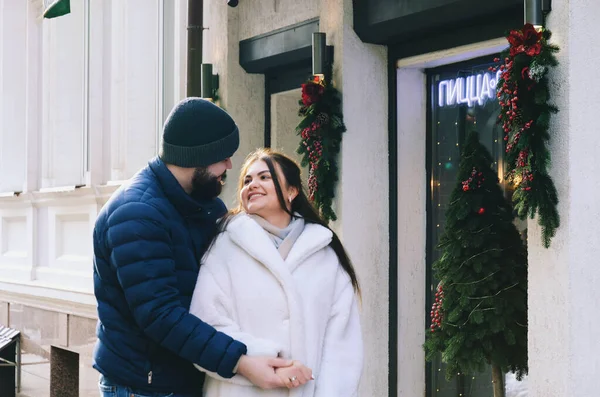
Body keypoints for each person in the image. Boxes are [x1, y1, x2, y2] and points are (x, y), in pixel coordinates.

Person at [92, 99, 299, 397]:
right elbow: (160, 314)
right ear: (198, 157)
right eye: (223, 157)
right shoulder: (136, 214)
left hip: (187, 375)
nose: (230, 166)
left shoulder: (203, 205)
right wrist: (240, 362)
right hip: (145, 386)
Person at [189, 148, 364, 396]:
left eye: (264, 177)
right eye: (247, 180)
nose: (253, 185)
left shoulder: (325, 255)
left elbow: (342, 345)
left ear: (292, 191)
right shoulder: (224, 247)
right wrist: (268, 360)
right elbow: (206, 322)